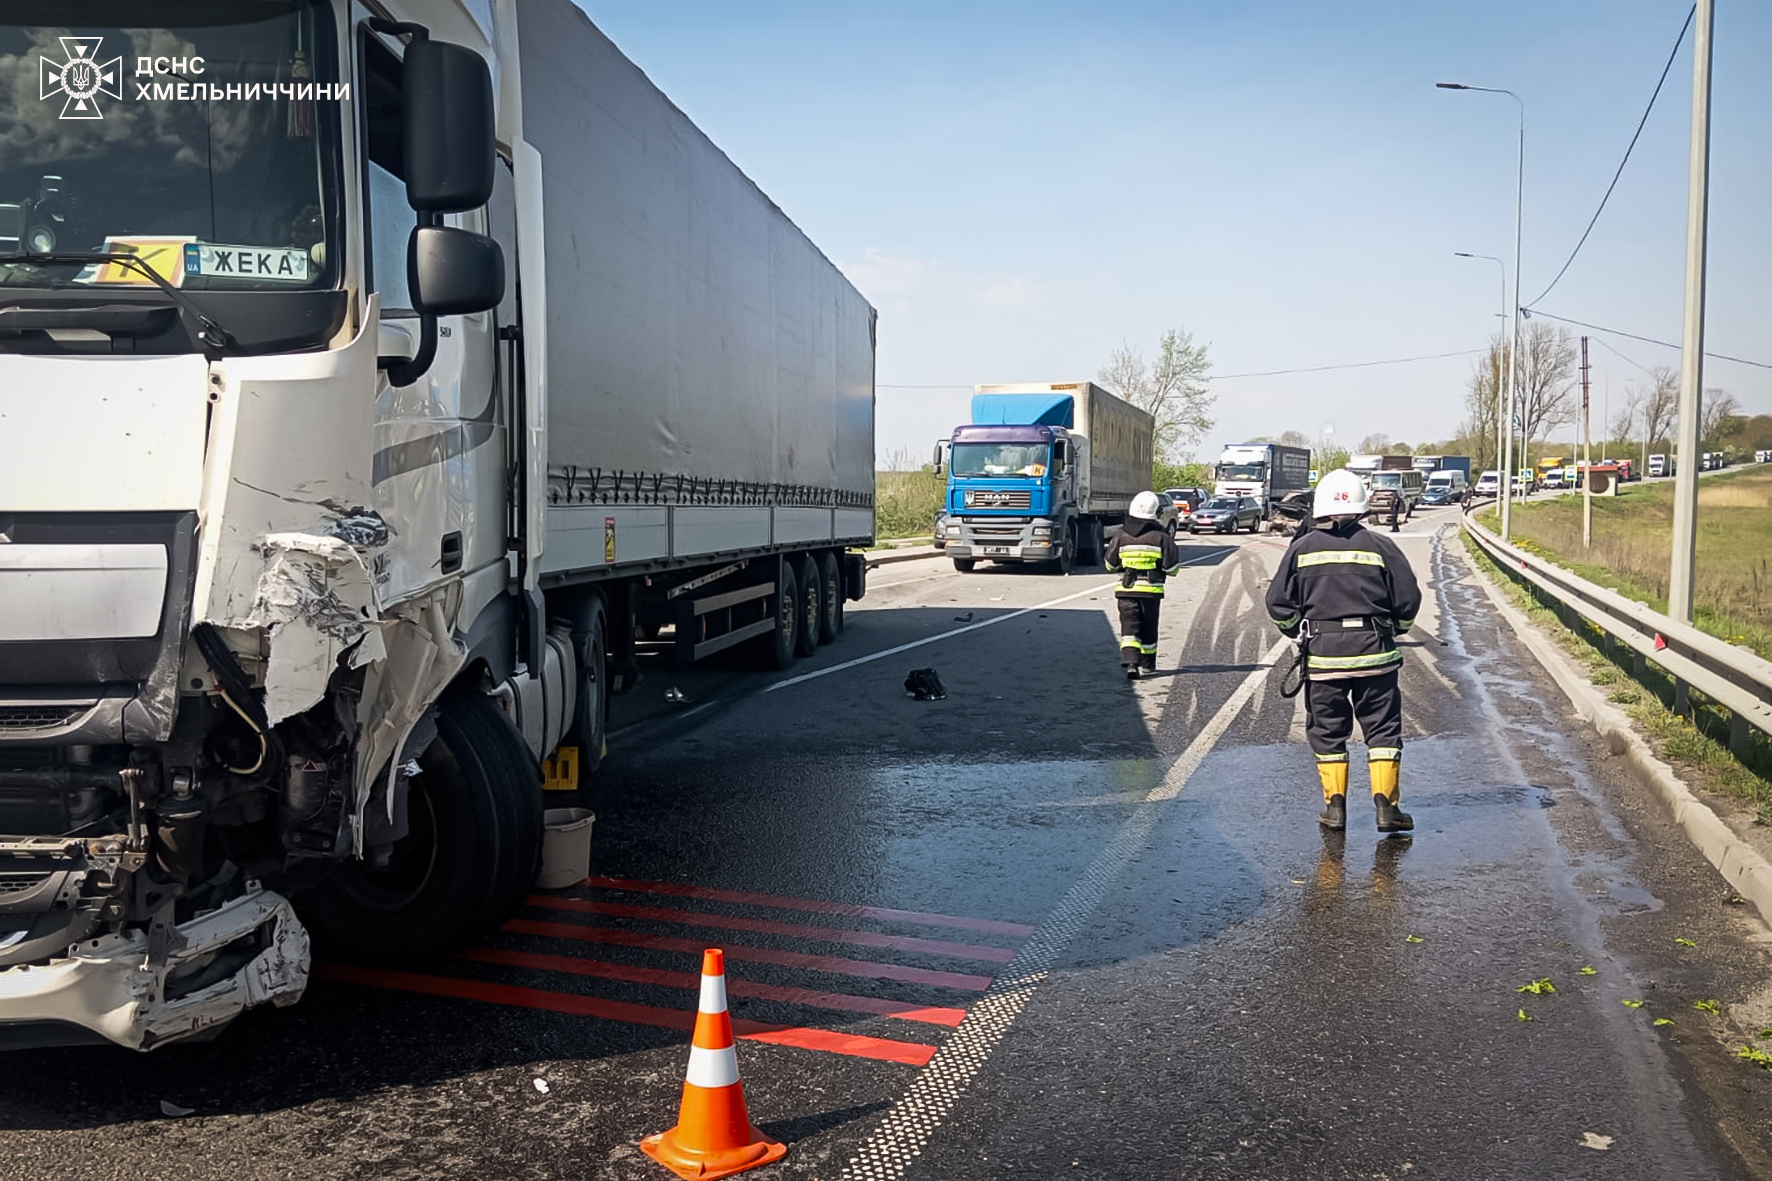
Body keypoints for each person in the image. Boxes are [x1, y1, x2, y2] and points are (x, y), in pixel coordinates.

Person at [1265, 469, 1423, 832]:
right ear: (1362, 508)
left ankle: (1334, 809)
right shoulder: (1381, 545)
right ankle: (1387, 809)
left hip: (1323, 660)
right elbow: (1409, 597)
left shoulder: (1301, 549)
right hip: (1376, 659)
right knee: (1382, 731)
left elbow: (1278, 602)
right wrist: (1395, 630)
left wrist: (1300, 634)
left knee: (1328, 732)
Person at [1103, 491, 1183, 679]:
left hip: (1126, 591)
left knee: (1129, 628)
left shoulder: (1121, 536)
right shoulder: (1162, 537)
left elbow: (1109, 565)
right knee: (1148, 627)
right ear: (1156, 512)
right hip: (1151, 592)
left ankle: (1131, 663)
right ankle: (1147, 665)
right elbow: (1172, 569)